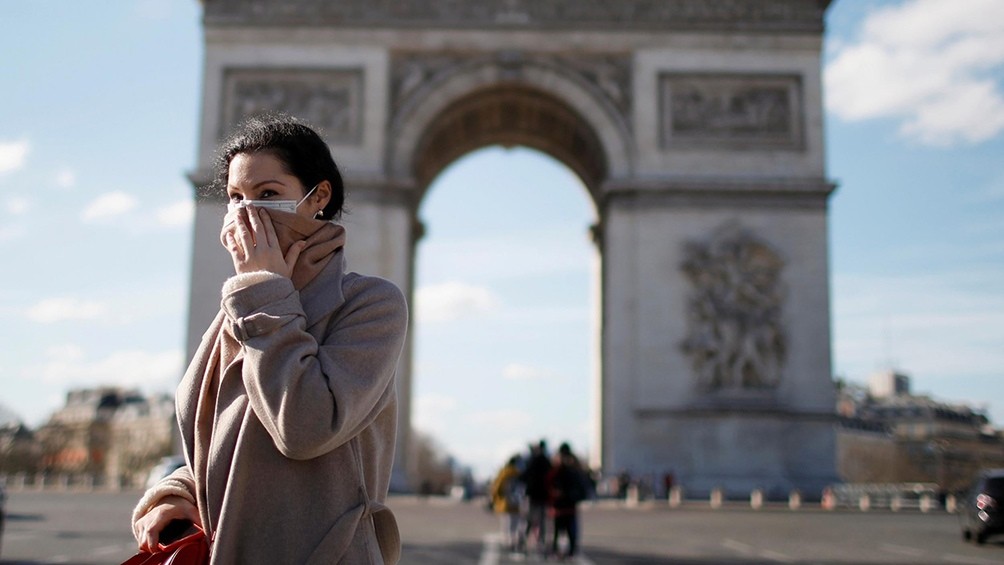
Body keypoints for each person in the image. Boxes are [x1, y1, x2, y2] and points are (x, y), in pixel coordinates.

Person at [130, 115, 408, 563]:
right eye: (235, 197)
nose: (245, 213)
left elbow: (302, 429)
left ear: (317, 197)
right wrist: (176, 490)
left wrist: (263, 290)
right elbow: (224, 442)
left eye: (268, 195)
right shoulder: (236, 312)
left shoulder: (369, 305)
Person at [548, 442, 588, 560]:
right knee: (562, 532)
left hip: (566, 505)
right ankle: (562, 551)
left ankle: (566, 551)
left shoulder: (571, 467)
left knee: (566, 532)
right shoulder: (560, 468)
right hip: (563, 506)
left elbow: (580, 485)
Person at [519, 440, 552, 554]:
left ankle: (522, 542)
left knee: (529, 520)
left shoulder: (532, 461)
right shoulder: (547, 462)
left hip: (532, 495)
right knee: (541, 522)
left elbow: (523, 477)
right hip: (543, 496)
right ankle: (540, 543)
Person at [489, 455, 525, 552]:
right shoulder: (519, 473)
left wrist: (494, 499)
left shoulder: (504, 472)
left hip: (505, 502)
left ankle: (508, 542)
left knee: (507, 524)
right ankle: (515, 541)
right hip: (517, 502)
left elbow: (497, 487)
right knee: (516, 523)